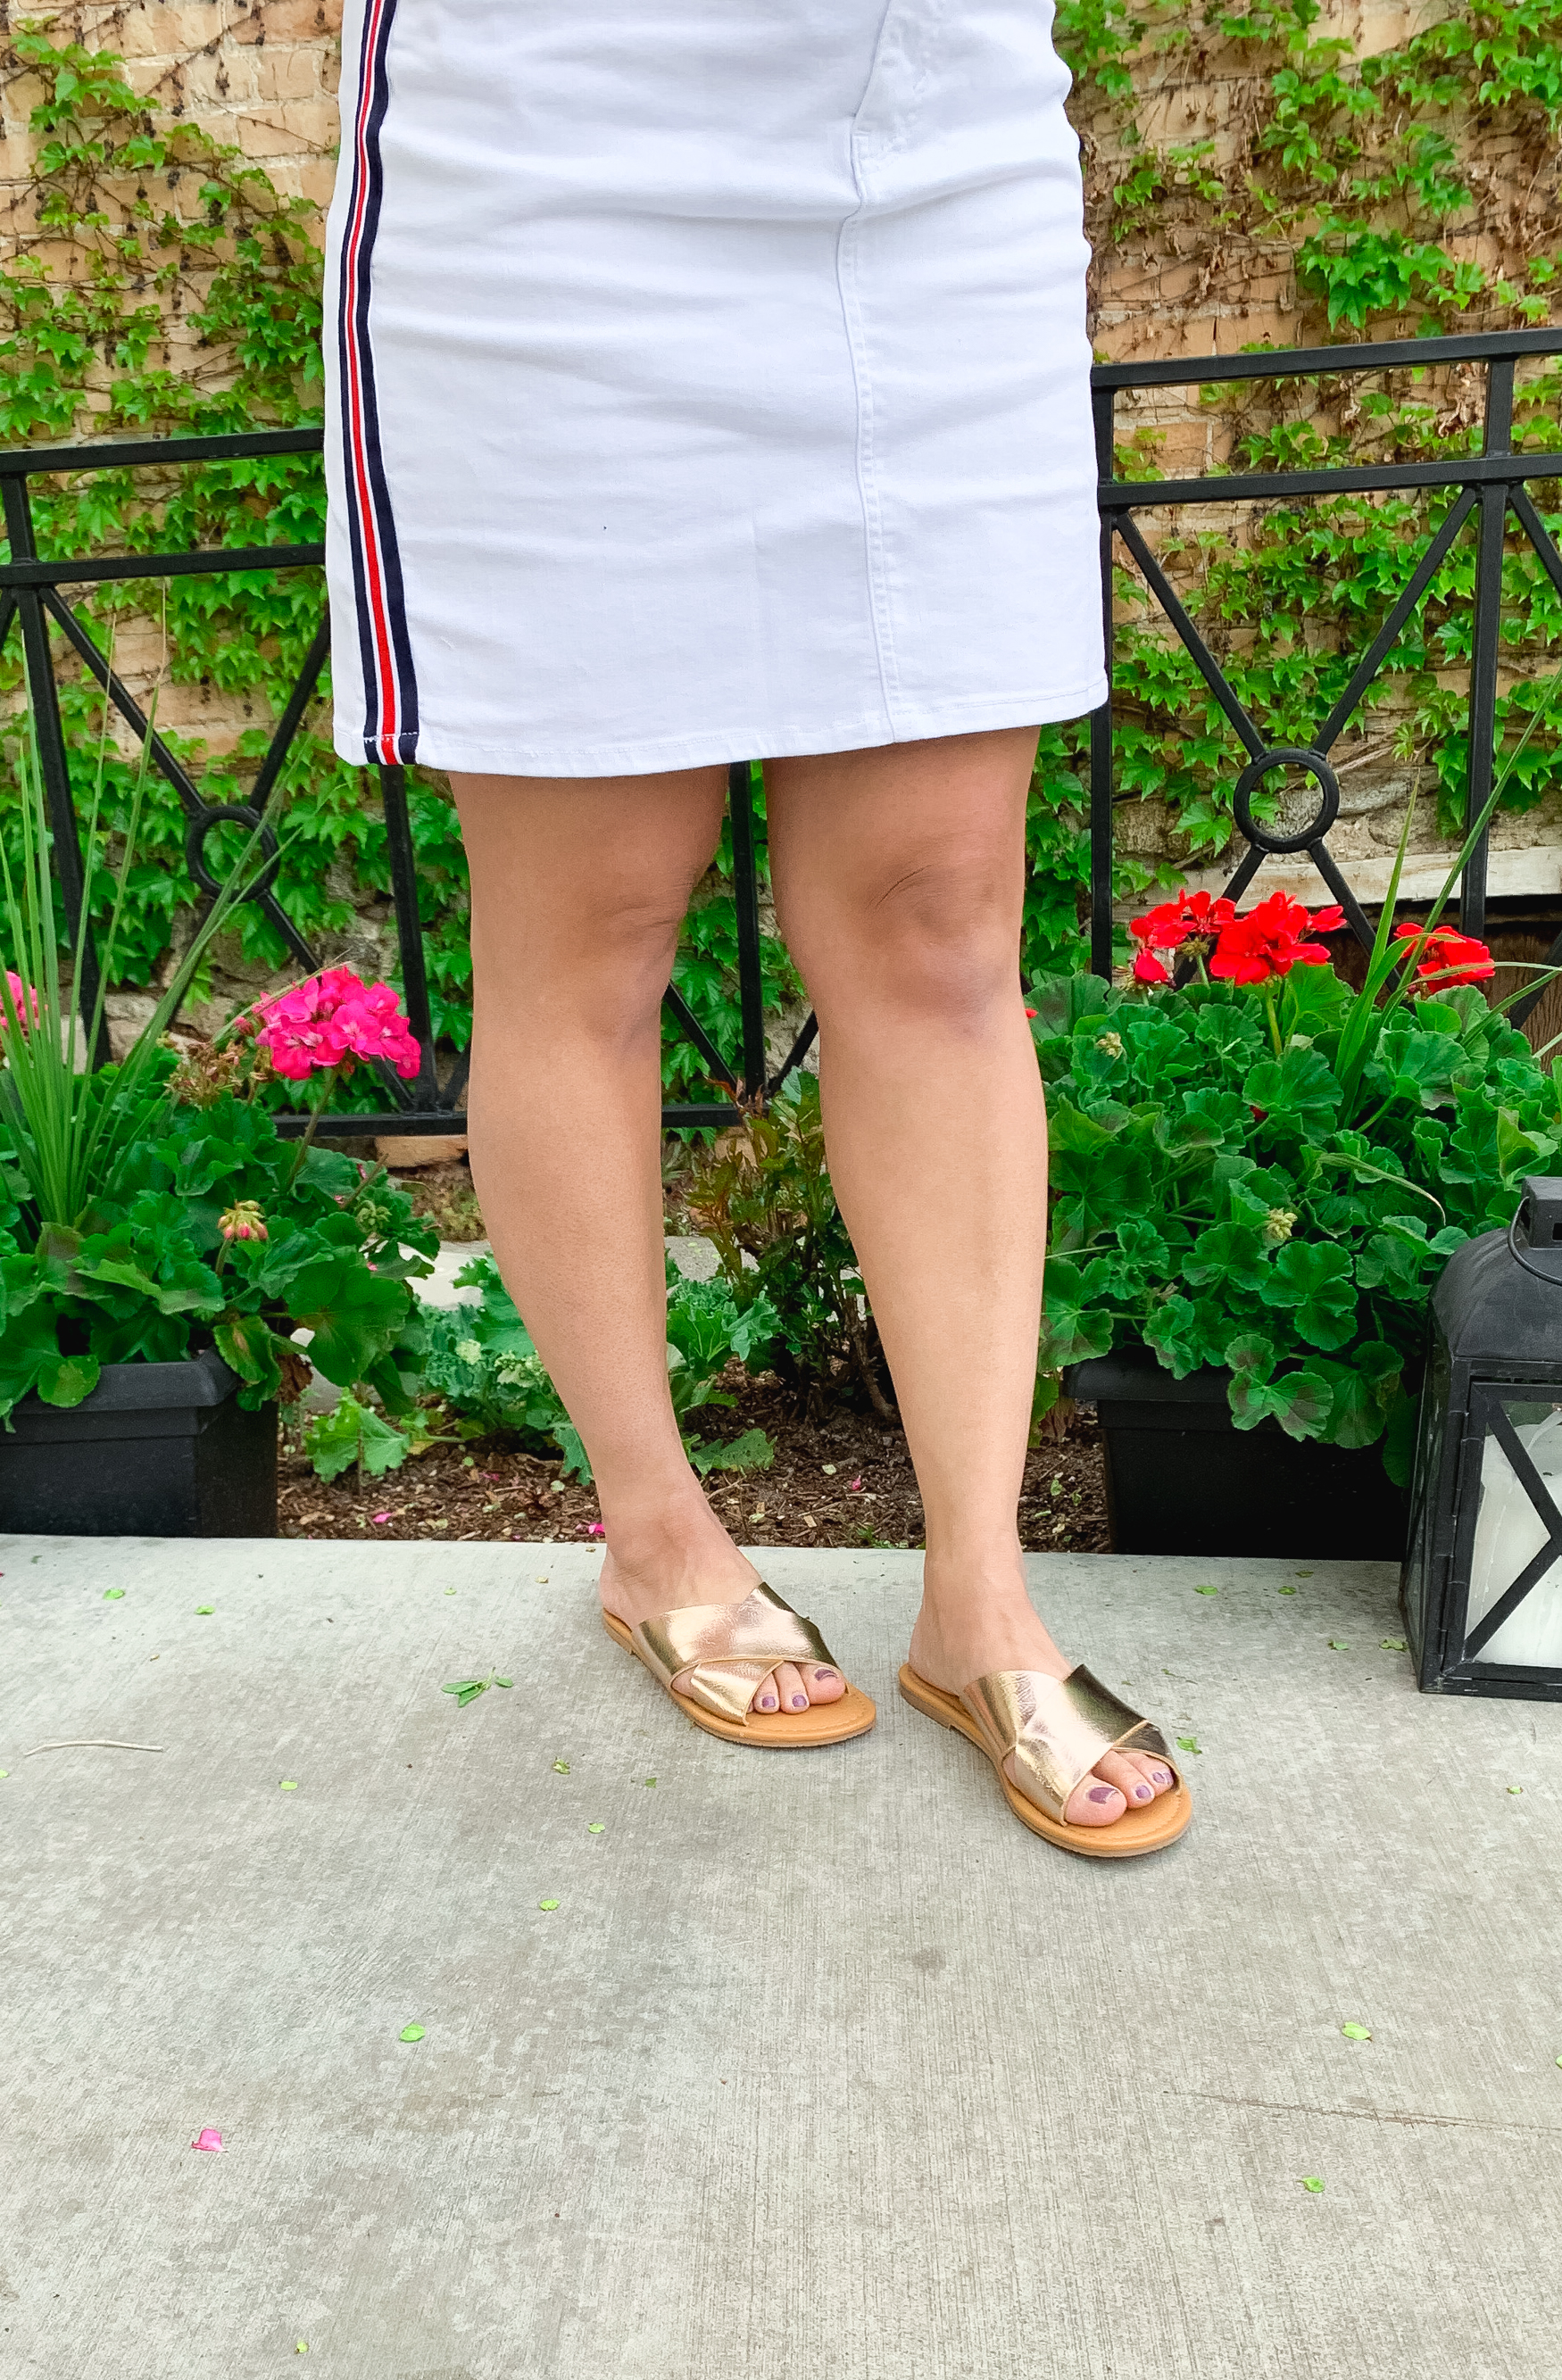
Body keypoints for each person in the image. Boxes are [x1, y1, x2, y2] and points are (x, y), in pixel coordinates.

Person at [322, 0, 1188, 1855]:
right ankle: (655, 1535)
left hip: (928, 149)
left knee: (938, 928)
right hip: (552, 165)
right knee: (591, 928)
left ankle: (980, 1599)